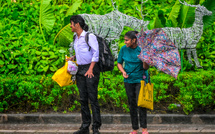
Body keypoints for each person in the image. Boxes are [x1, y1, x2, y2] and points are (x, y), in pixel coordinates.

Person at [69, 15, 101, 134]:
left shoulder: (89, 36)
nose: (70, 26)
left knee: (93, 99)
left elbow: (95, 53)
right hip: (80, 69)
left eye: (71, 23)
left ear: (77, 24)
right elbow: (83, 51)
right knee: (83, 99)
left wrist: (91, 69)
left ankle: (96, 127)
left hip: (91, 69)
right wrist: (74, 57)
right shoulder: (75, 37)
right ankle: (85, 126)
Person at [117, 31, 149, 134]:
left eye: (127, 40)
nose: (125, 42)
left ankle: (144, 128)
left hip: (140, 79)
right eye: (124, 40)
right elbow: (119, 63)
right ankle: (135, 128)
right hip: (128, 79)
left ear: (134, 40)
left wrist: (144, 59)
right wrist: (123, 72)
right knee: (132, 104)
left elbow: (146, 67)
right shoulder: (123, 49)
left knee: (141, 104)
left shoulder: (142, 49)